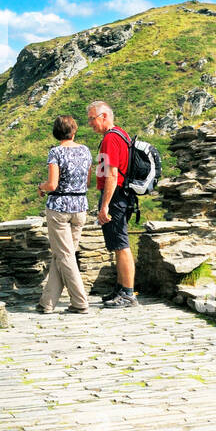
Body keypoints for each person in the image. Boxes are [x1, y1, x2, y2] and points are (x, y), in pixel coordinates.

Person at [36, 114, 92, 313]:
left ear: (56, 132)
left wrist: (41, 187)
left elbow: (52, 184)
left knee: (65, 256)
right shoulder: (86, 151)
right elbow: (87, 182)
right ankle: (47, 303)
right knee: (63, 255)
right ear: (74, 130)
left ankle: (80, 302)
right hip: (80, 207)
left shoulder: (56, 153)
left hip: (59, 208)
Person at [88, 100, 138, 309]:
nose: (90, 124)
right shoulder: (121, 134)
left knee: (121, 245)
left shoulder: (110, 139)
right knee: (118, 245)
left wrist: (104, 205)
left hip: (115, 197)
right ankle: (120, 288)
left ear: (104, 116)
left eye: (92, 119)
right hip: (123, 195)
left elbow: (112, 174)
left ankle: (128, 294)